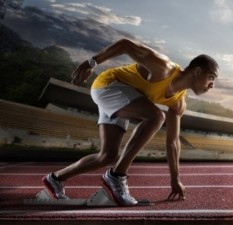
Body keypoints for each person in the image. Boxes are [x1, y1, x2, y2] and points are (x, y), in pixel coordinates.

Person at [42, 38, 219, 206]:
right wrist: (91, 62)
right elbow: (126, 45)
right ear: (197, 71)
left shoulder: (178, 103)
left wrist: (175, 179)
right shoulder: (163, 67)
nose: (212, 85)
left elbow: (173, 142)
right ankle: (117, 176)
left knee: (107, 156)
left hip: (125, 99)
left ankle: (55, 179)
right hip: (108, 85)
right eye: (211, 77)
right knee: (156, 116)